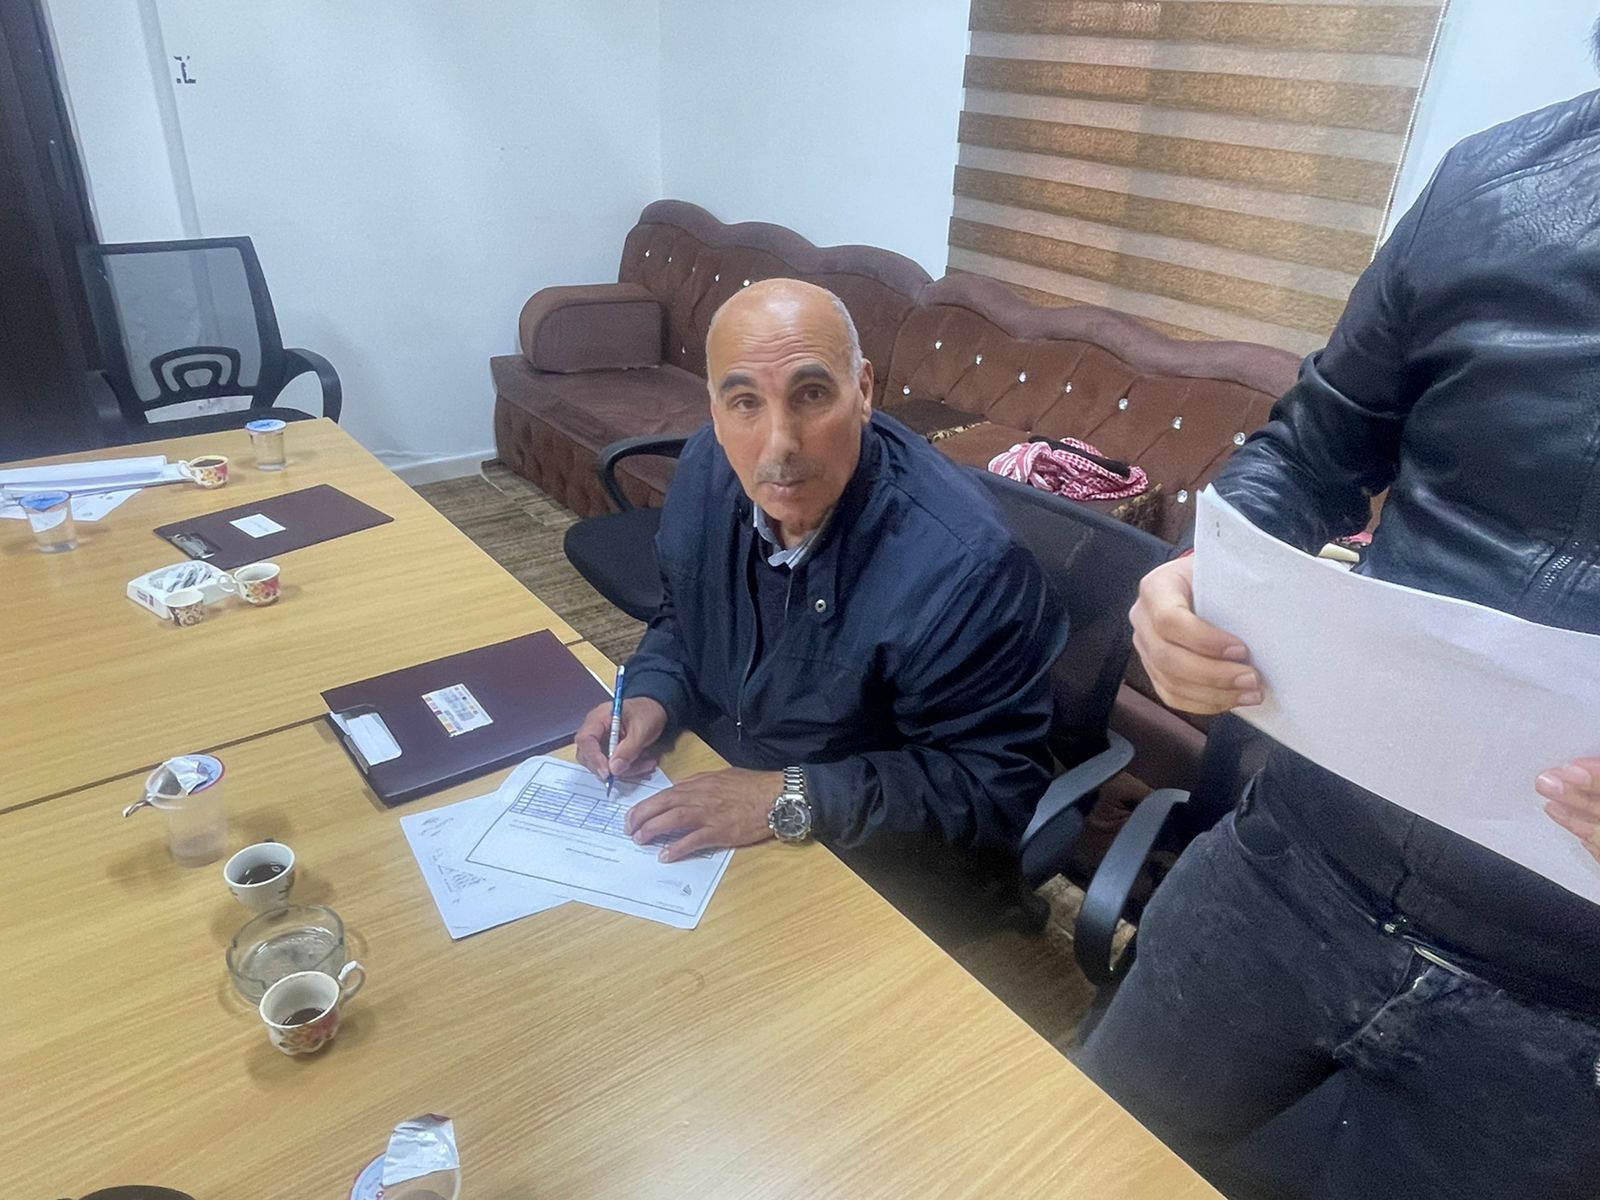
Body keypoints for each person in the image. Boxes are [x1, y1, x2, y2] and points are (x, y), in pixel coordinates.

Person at [1076, 72, 1600, 1200]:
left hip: (1568, 1021)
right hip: (1292, 865)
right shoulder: (1490, 183)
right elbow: (1310, 448)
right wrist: (1207, 576)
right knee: (1064, 1163)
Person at [573, 278, 1065, 892]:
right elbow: (682, 616)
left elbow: (990, 788)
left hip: (874, 855)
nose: (779, 444)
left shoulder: (968, 569)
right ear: (715, 411)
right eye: (745, 402)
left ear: (863, 391)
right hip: (726, 781)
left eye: (810, 394)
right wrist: (652, 695)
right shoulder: (707, 469)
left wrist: (789, 795)